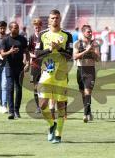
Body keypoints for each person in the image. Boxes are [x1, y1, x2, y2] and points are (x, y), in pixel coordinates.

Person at [35, 9, 73, 144]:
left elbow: (70, 56)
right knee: (43, 104)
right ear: (48, 20)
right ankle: (52, 124)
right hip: (46, 73)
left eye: (57, 18)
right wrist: (50, 50)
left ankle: (58, 134)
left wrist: (60, 48)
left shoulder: (67, 35)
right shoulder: (42, 35)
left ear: (60, 19)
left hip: (61, 74)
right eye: (52, 18)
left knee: (61, 105)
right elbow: (37, 54)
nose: (54, 20)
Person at [0, 22, 30, 119]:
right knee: (10, 88)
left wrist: (28, 62)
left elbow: (26, 52)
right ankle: (11, 112)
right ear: (10, 29)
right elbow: (2, 54)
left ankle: (17, 110)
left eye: (17, 27)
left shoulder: (23, 39)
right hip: (9, 67)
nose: (17, 29)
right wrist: (10, 51)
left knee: (19, 89)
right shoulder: (5, 40)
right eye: (15, 28)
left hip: (20, 67)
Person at [73, 25, 100, 123]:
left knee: (88, 92)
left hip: (90, 70)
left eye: (91, 31)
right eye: (88, 32)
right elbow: (75, 57)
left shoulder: (95, 44)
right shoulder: (77, 43)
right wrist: (86, 51)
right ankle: (88, 111)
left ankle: (85, 114)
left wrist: (92, 51)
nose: (90, 33)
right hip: (80, 70)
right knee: (83, 93)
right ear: (83, 32)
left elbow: (98, 59)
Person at [28, 18, 43, 114]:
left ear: (41, 26)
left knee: (44, 86)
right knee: (35, 86)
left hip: (44, 64)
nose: (37, 28)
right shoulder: (31, 37)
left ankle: (44, 105)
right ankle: (38, 107)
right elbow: (28, 50)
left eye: (38, 26)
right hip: (34, 64)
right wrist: (32, 55)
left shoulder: (44, 36)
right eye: (35, 26)